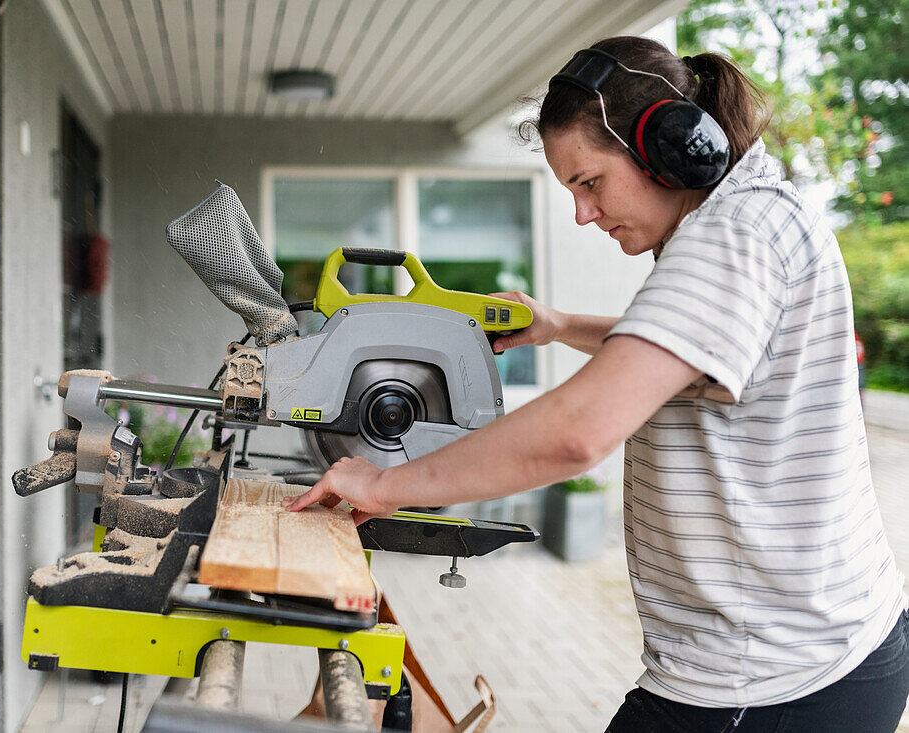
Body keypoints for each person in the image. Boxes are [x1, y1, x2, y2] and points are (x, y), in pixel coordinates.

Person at [284, 36, 909, 732]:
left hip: (771, 679)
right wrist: (556, 325)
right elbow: (691, 350)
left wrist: (382, 484)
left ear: (668, 145)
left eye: (589, 182)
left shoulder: (733, 236)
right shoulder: (748, 215)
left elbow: (577, 433)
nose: (583, 214)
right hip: (816, 651)